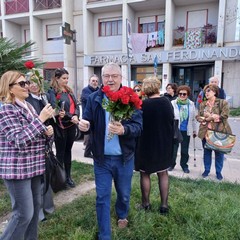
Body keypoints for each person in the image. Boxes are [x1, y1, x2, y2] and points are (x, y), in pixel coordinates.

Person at [78, 62, 142, 240]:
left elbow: (139, 127)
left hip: (124, 158)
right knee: (102, 196)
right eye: (106, 76)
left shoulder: (130, 97)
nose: (110, 79)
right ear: (101, 78)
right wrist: (85, 125)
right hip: (102, 159)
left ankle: (122, 213)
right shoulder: (94, 98)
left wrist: (124, 130)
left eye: (114, 76)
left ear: (121, 78)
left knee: (124, 195)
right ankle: (104, 234)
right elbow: (88, 120)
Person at [0, 71, 54, 239]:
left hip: (34, 167)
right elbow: (18, 139)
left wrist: (47, 133)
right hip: (17, 169)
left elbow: (34, 134)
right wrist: (41, 120)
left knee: (34, 211)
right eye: (21, 84)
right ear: (9, 88)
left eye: (26, 82)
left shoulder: (28, 106)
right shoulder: (5, 109)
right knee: (23, 214)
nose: (27, 86)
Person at [135, 76, 174, 215]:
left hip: (146, 143)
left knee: (145, 173)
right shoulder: (166, 102)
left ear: (145, 89)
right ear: (157, 86)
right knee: (163, 173)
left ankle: (145, 204)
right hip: (163, 142)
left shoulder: (143, 105)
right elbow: (171, 121)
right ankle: (164, 205)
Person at [26, 79, 55, 222]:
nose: (33, 85)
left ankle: (48, 206)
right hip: (34, 143)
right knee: (37, 180)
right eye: (29, 82)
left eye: (36, 82)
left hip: (46, 141)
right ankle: (38, 213)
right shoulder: (27, 101)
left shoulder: (44, 97)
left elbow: (50, 118)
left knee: (46, 175)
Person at [48, 68, 80, 188]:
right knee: (60, 154)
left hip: (71, 125)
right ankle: (59, 179)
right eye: (64, 78)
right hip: (60, 127)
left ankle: (68, 177)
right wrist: (69, 115)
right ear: (57, 78)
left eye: (67, 78)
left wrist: (76, 114)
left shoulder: (69, 90)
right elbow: (55, 109)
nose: (66, 80)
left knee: (68, 152)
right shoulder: (52, 92)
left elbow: (76, 105)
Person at [196, 84, 232, 180]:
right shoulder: (203, 104)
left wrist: (209, 117)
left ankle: (218, 172)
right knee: (206, 152)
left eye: (208, 91)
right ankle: (206, 170)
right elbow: (198, 116)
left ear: (214, 92)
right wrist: (203, 119)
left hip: (219, 132)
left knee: (219, 153)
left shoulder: (222, 102)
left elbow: (224, 116)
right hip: (205, 132)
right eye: (205, 91)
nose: (206, 93)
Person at [169, 85, 197, 173]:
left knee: (184, 150)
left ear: (187, 95)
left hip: (186, 130)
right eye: (180, 94)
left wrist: (194, 130)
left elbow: (193, 119)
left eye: (184, 94)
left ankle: (184, 165)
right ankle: (171, 164)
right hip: (176, 130)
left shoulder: (191, 104)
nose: (182, 96)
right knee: (173, 149)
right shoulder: (173, 103)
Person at [81, 74, 99, 158]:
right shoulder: (85, 90)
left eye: (96, 81)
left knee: (93, 135)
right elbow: (91, 100)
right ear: (89, 82)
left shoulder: (99, 90)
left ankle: (88, 152)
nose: (95, 83)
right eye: (93, 81)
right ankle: (87, 152)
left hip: (97, 117)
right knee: (89, 136)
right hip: (88, 117)